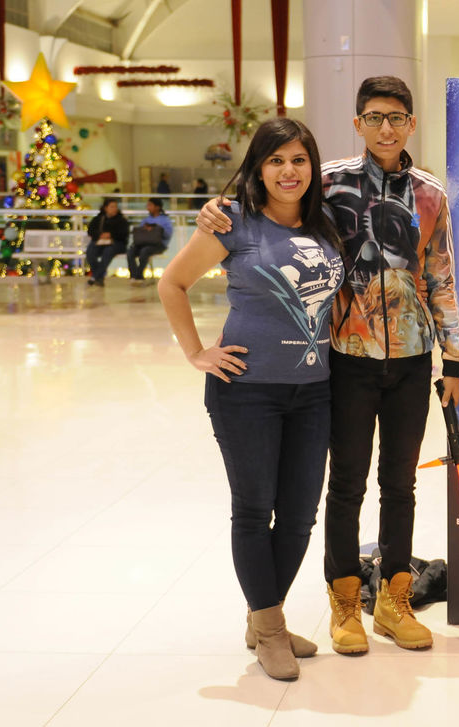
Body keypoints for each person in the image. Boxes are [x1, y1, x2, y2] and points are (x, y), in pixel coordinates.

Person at [197, 76, 459, 656]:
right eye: (374, 117)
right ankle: (344, 601)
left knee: (400, 483)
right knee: (345, 484)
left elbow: (441, 276)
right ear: (357, 123)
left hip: (413, 357)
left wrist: (454, 357)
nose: (385, 128)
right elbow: (270, 198)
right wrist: (216, 209)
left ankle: (393, 601)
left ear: (411, 124)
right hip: (345, 356)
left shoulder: (430, 194)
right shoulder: (328, 183)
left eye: (396, 117)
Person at [159, 117, 345, 681]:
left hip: (314, 390)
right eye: (276, 160)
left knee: (300, 515)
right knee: (254, 509)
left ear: (312, 166)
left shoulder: (325, 222)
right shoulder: (233, 220)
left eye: (299, 160)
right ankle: (269, 630)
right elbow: (172, 283)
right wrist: (196, 352)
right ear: (258, 168)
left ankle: (264, 617)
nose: (289, 171)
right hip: (247, 392)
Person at [84, 197, 129, 286]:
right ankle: (99, 277)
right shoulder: (98, 219)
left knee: (108, 252)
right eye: (112, 207)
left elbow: (124, 234)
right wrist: (100, 235)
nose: (114, 209)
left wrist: (111, 235)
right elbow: (90, 231)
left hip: (116, 243)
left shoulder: (121, 220)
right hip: (100, 242)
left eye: (115, 207)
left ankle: (94, 277)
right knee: (90, 252)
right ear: (105, 208)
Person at [127, 197, 173, 284]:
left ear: (157, 207)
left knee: (145, 251)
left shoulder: (165, 220)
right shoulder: (146, 220)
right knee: (130, 252)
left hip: (158, 245)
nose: (148, 207)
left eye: (150, 205)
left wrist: (156, 229)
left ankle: (139, 275)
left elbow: (168, 234)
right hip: (144, 243)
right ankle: (133, 275)